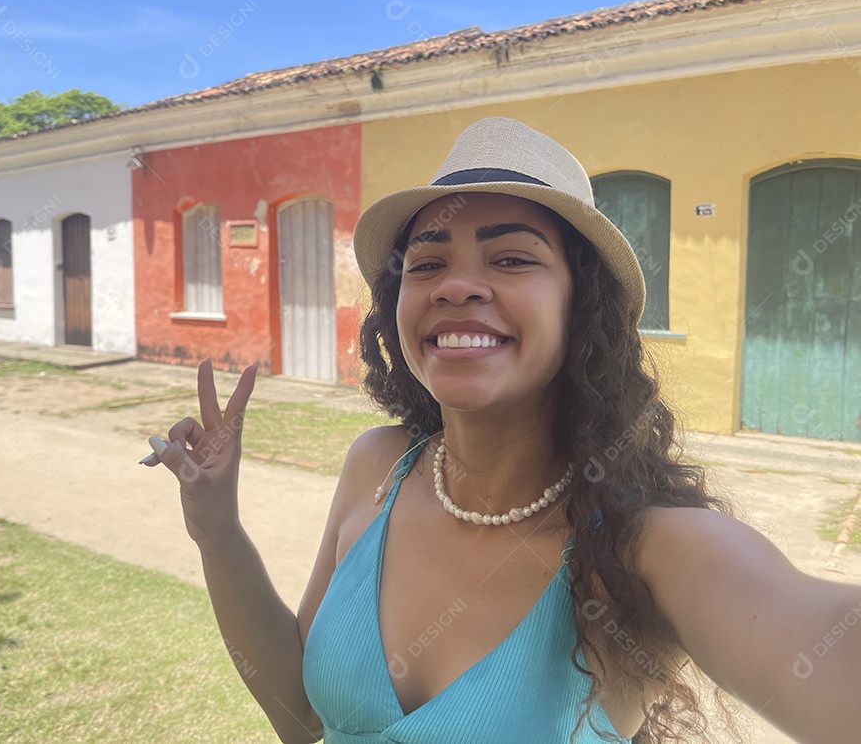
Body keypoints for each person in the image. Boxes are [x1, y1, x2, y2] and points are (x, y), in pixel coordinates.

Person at [143, 117, 861, 743]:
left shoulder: (648, 551)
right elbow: (302, 720)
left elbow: (821, 643)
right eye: (427, 263)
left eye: (512, 257)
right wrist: (217, 531)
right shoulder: (376, 468)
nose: (455, 285)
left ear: (582, 309)